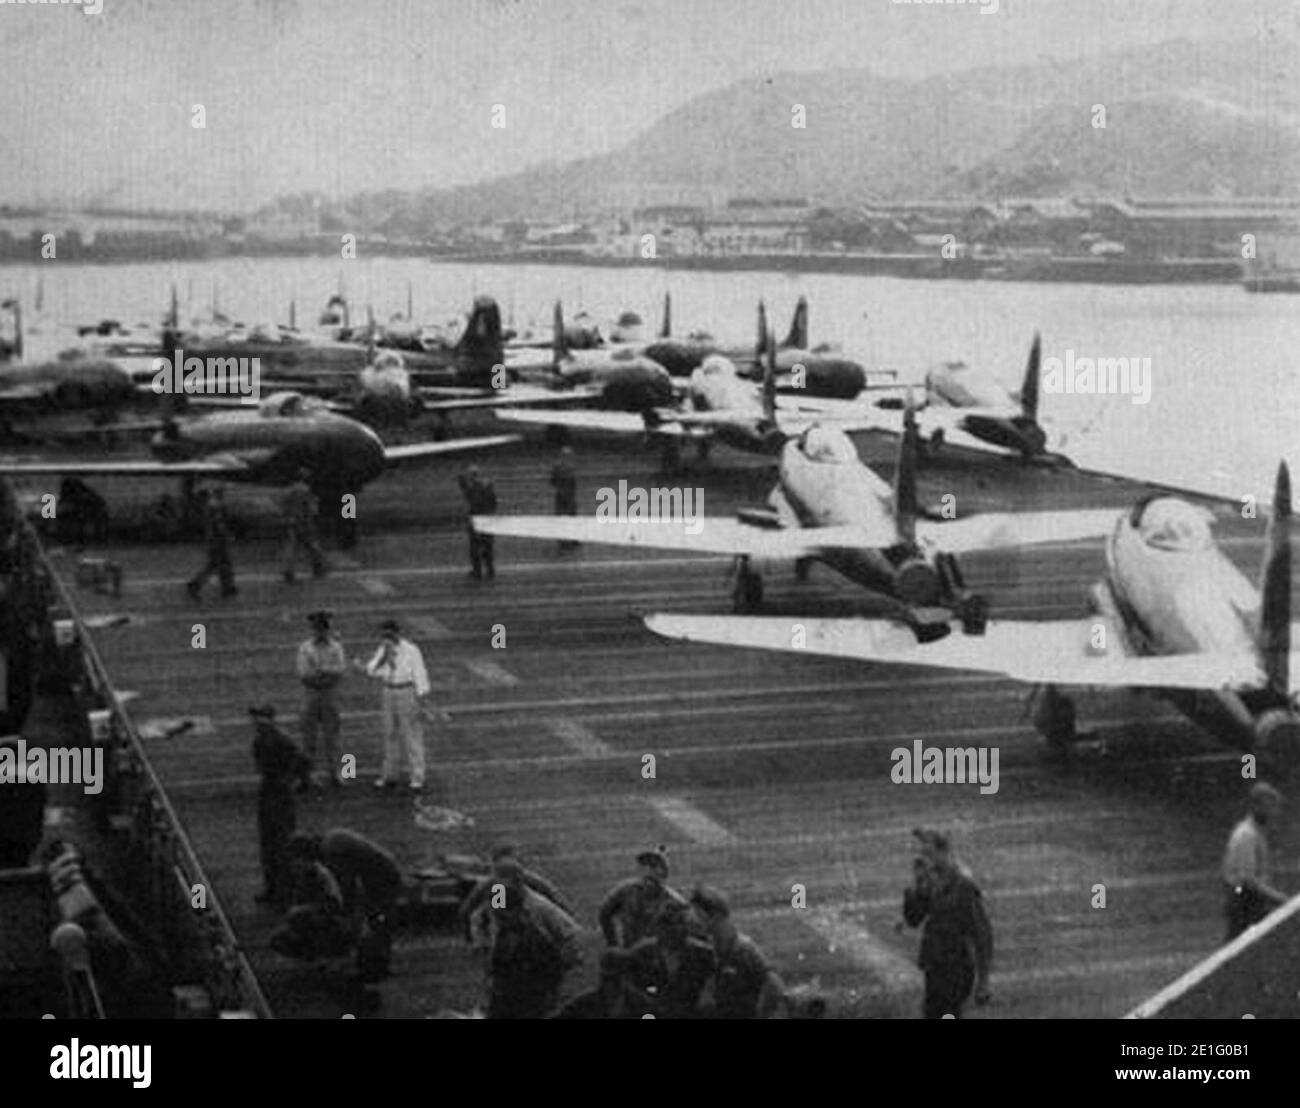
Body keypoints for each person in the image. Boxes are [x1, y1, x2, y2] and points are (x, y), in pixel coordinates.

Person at [291, 828, 405, 981]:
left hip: (382, 878)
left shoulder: (332, 850)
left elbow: (347, 882)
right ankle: (375, 965)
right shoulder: (333, 838)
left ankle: (375, 967)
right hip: (380, 874)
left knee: (377, 921)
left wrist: (346, 913)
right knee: (378, 922)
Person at [902, 828, 993, 1019]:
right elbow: (913, 919)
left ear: (943, 852)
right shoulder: (932, 882)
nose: (925, 860)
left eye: (928, 853)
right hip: (934, 965)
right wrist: (916, 888)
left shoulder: (963, 886)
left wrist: (983, 981)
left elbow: (981, 934)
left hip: (956, 967)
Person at [478, 859, 583, 1019]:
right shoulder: (500, 894)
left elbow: (569, 932)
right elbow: (483, 918)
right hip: (506, 974)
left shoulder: (539, 908)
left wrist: (568, 960)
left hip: (533, 978)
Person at [690, 885, 786, 1018]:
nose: (695, 922)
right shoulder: (713, 947)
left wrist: (760, 1015)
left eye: (699, 916)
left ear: (715, 916)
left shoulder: (743, 949)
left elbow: (775, 985)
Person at [249, 705, 310, 908]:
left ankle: (285, 892)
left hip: (279, 792)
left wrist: (294, 781)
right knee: (269, 844)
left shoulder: (280, 740)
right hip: (270, 790)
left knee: (282, 844)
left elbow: (303, 761)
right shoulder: (262, 740)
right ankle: (274, 889)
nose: (258, 722)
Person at [359, 619, 430, 791]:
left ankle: (417, 776)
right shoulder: (383, 650)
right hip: (388, 691)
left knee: (411, 735)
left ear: (397, 633)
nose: (386, 638)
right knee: (390, 734)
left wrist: (421, 699)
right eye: (384, 635)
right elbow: (371, 670)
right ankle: (390, 775)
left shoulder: (411, 650)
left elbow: (420, 673)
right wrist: (384, 657)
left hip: (406, 691)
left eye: (389, 635)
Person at [1223, 782, 1287, 942]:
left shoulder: (1254, 833)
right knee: (1240, 947)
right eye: (1269, 808)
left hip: (1247, 899)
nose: (1274, 813)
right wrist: (1281, 899)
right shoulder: (1247, 835)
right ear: (1255, 806)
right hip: (1244, 900)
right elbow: (1248, 880)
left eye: (1275, 808)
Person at [597, 845, 689, 949]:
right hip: (630, 953)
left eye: (654, 866)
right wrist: (612, 943)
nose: (649, 870)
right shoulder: (625, 891)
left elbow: (683, 935)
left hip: (658, 959)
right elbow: (604, 913)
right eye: (645, 865)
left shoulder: (675, 902)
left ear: (664, 873)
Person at [296, 610, 346, 791]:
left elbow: (340, 671)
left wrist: (321, 671)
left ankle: (336, 774)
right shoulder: (305, 648)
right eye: (318, 628)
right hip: (311, 695)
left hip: (329, 695)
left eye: (324, 628)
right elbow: (304, 675)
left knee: (333, 737)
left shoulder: (336, 647)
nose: (321, 631)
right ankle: (306, 776)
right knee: (308, 739)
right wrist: (327, 672)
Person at [186, 486, 236, 600]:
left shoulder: (207, 507)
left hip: (213, 539)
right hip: (218, 540)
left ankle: (227, 586)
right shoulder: (214, 507)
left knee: (219, 564)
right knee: (220, 564)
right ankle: (197, 584)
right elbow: (218, 524)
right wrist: (227, 534)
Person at [282, 470, 326, 584]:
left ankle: (288, 571)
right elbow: (312, 508)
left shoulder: (288, 490)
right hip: (305, 522)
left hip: (292, 522)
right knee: (313, 546)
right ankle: (318, 567)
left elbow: (284, 507)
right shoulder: (306, 491)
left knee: (291, 548)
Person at [458, 465, 497, 579]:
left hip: (478, 520)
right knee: (488, 546)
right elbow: (494, 503)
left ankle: (477, 571)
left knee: (475, 547)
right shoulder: (487, 487)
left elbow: (470, 499)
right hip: (488, 519)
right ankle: (490, 570)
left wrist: (462, 483)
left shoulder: (473, 488)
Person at [550, 446, 578, 551]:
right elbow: (573, 482)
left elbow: (552, 481)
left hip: (560, 494)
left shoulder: (557, 467)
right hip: (569, 495)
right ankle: (572, 539)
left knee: (562, 518)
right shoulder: (570, 467)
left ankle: (563, 541)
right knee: (571, 517)